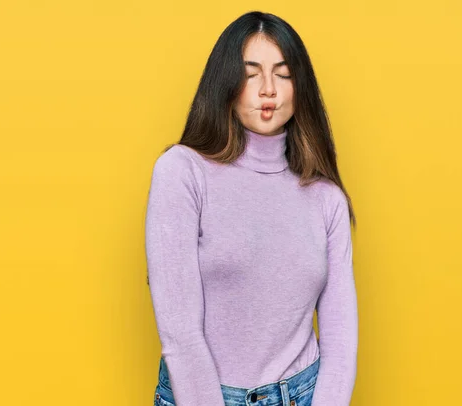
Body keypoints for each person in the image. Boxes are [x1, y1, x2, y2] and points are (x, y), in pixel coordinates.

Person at [145, 10, 358, 406]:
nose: (268, 90)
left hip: (301, 394)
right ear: (226, 81)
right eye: (251, 73)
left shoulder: (326, 197)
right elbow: (179, 331)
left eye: (283, 73)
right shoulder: (182, 172)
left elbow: (341, 337)